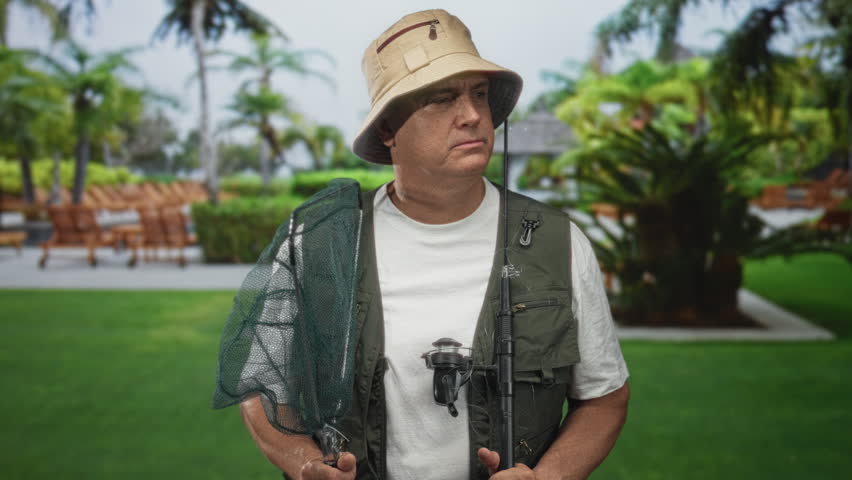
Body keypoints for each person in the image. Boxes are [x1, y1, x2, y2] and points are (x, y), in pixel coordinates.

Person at [238, 9, 629, 480]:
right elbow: (262, 387)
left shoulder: (556, 242)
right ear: (388, 129)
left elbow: (604, 397)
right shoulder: (320, 242)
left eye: (479, 94)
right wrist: (304, 464)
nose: (472, 116)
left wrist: (548, 477)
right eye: (442, 99)